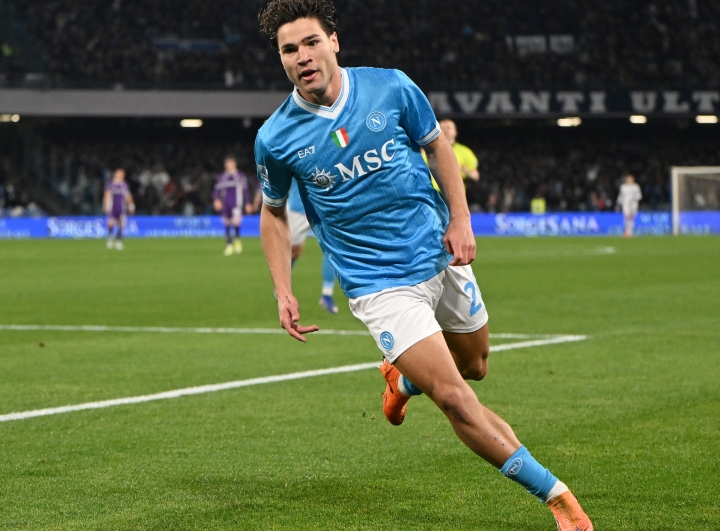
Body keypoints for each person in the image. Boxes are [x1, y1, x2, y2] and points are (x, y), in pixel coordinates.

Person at [253, 1, 593, 530]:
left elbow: (437, 147)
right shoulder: (276, 138)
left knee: (475, 365)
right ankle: (559, 500)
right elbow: (273, 214)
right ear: (281, 59)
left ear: (335, 42)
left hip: (438, 251)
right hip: (378, 284)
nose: (302, 56)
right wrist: (282, 289)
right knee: (456, 398)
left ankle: (403, 380)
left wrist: (461, 220)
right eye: (289, 50)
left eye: (311, 42)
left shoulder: (390, 87)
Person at [287, 179, 339, 313]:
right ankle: (282, 287)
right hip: (299, 209)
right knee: (294, 252)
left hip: (324, 207)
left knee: (332, 249)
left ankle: (326, 294)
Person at [213, 156, 253, 256]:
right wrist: (216, 200)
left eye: (231, 163)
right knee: (226, 223)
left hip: (236, 204)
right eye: (227, 164)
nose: (229, 166)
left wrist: (248, 203)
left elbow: (245, 191)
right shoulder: (222, 177)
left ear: (235, 164)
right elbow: (217, 190)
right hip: (225, 204)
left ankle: (237, 240)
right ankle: (229, 245)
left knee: (236, 222)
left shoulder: (240, 176)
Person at [103, 168, 135, 250]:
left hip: (121, 207)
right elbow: (107, 195)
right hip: (112, 207)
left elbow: (128, 195)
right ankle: (110, 239)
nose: (121, 175)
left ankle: (118, 241)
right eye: (119, 173)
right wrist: (105, 205)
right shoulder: (111, 184)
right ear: (115, 174)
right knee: (110, 223)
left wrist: (131, 205)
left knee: (121, 225)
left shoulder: (124, 185)